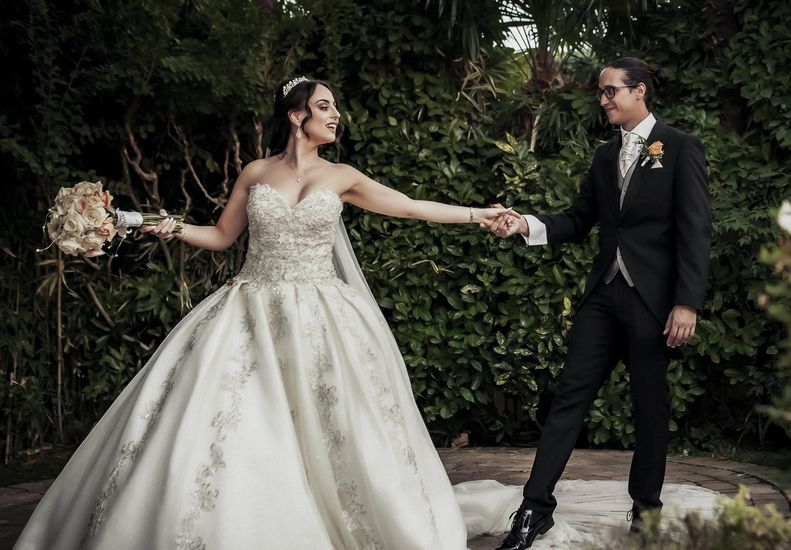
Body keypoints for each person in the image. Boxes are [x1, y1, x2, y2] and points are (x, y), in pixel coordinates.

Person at [14, 76, 518, 550]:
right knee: (234, 422)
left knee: (335, 426)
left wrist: (480, 215)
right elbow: (219, 237)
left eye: (335, 108)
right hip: (249, 307)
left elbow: (409, 205)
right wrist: (164, 225)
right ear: (296, 116)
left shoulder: (342, 176)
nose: (336, 115)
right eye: (325, 106)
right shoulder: (256, 172)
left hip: (323, 315)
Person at [490, 57, 712, 550]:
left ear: (640, 91)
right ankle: (534, 509)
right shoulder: (601, 158)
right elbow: (577, 219)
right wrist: (525, 224)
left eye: (612, 90)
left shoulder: (679, 149)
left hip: (654, 304)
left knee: (649, 407)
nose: (604, 99)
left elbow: (695, 232)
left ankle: (647, 512)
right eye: (602, 93)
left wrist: (687, 303)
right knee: (570, 397)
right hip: (603, 298)